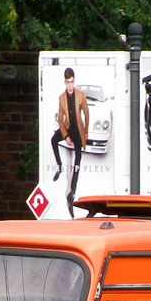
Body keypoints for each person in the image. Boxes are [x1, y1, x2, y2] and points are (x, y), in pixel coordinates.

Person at [49, 67, 89, 215]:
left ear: (74, 81)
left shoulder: (80, 95)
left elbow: (86, 112)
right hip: (68, 127)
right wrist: (65, 136)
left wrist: (85, 131)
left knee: (78, 158)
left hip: (77, 129)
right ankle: (59, 165)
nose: (70, 85)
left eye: (72, 82)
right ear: (65, 82)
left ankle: (72, 191)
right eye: (68, 82)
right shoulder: (62, 98)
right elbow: (60, 118)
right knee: (54, 140)